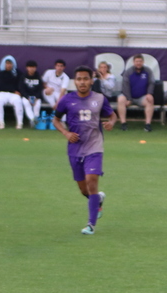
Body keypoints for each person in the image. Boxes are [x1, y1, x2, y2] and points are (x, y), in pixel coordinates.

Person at [53, 66, 115, 236]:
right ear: (75, 81)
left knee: (92, 180)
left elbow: (112, 115)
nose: (82, 82)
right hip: (75, 148)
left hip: (94, 146)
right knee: (83, 189)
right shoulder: (66, 100)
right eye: (79, 79)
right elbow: (55, 120)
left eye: (85, 79)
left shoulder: (100, 99)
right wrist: (66, 133)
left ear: (91, 81)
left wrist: (111, 122)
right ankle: (98, 200)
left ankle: (90, 225)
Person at [117, 54, 155, 132]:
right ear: (133, 62)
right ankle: (123, 124)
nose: (138, 63)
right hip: (128, 97)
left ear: (143, 62)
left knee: (150, 100)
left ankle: (147, 125)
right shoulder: (128, 72)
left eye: (140, 61)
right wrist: (129, 98)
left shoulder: (148, 71)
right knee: (120, 99)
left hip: (142, 97)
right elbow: (125, 86)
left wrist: (149, 93)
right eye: (137, 61)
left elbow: (151, 83)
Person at [0, 55, 24, 129]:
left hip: (13, 94)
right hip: (2, 93)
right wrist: (13, 90)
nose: (9, 65)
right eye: (7, 63)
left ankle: (19, 123)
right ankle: (1, 123)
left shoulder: (18, 74)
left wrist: (18, 92)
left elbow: (20, 84)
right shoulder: (0, 74)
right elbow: (1, 86)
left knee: (18, 101)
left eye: (10, 63)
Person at [18, 60, 44, 127]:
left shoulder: (38, 77)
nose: (32, 69)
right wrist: (28, 97)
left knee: (37, 105)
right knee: (26, 104)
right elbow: (21, 89)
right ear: (27, 68)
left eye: (33, 67)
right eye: (30, 67)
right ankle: (32, 119)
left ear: (36, 68)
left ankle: (35, 120)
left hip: (36, 97)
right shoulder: (23, 76)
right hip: (26, 96)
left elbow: (40, 89)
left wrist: (36, 97)